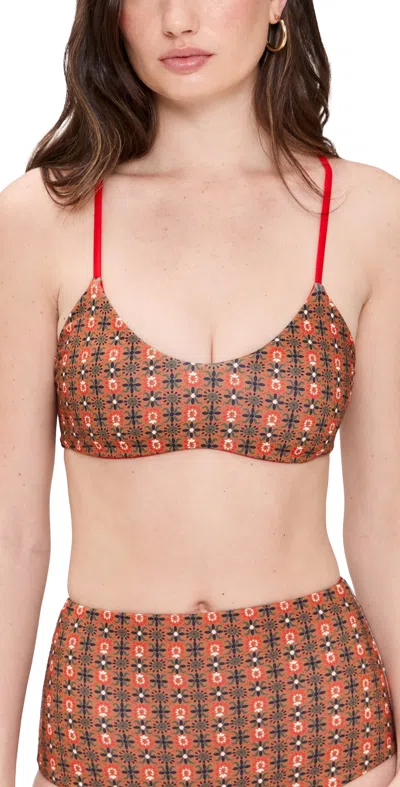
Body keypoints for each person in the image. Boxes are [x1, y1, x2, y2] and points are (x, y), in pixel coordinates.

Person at [0, 1, 399, 785]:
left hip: (322, 708)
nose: (177, 19)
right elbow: (12, 536)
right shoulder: (42, 216)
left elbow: (386, 527)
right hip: (106, 720)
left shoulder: (367, 215)